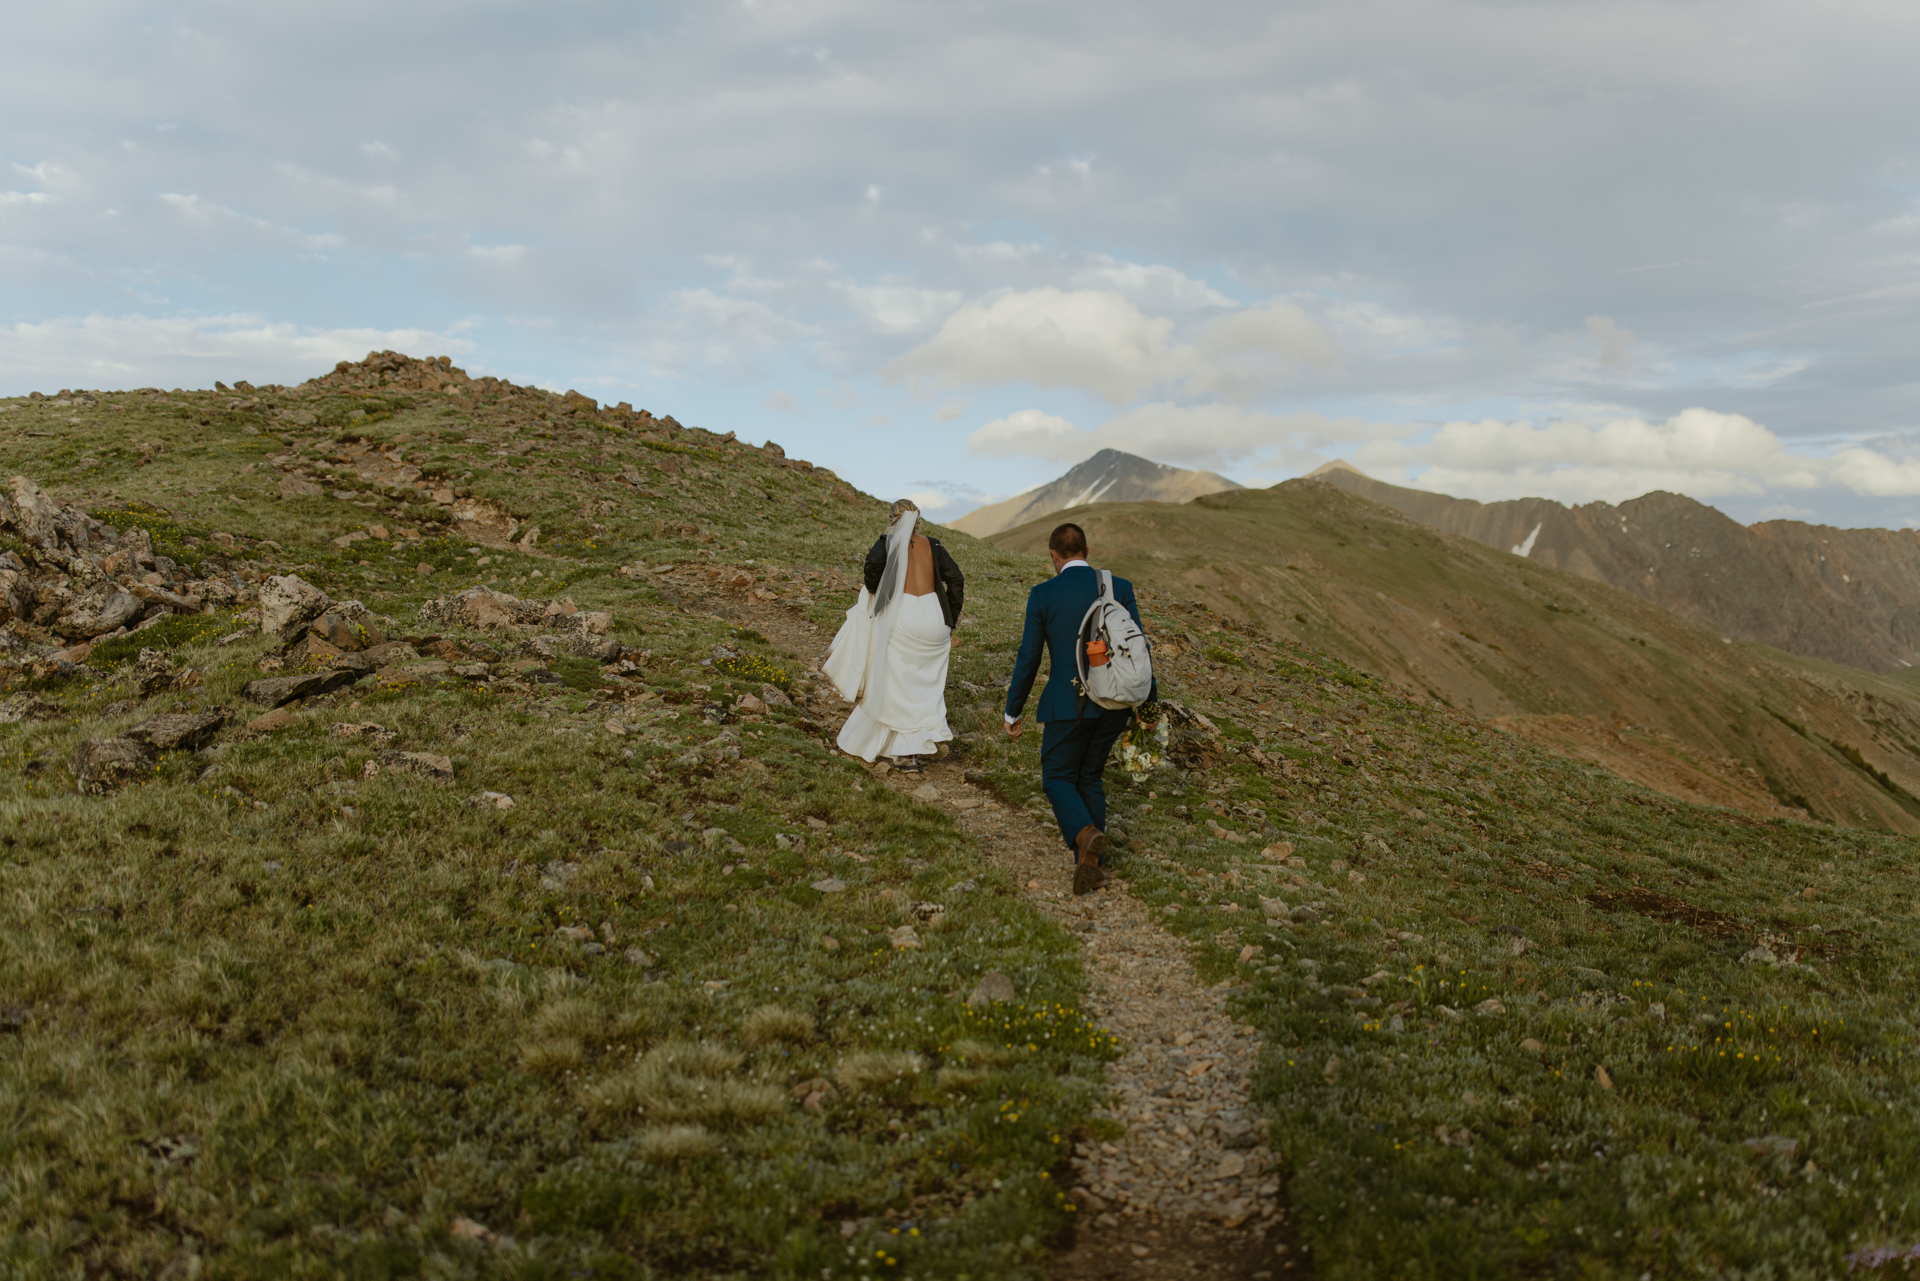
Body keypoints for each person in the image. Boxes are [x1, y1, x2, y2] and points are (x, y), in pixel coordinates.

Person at [1004, 522, 1151, 895]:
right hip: (1115, 702)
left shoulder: (1043, 594)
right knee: (1089, 776)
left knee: (1056, 777)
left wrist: (1013, 709)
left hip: (1067, 703)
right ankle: (1091, 866)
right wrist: (1145, 706)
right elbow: (1139, 650)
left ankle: (1085, 835)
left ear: (1054, 555)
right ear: (1087, 551)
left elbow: (1029, 657)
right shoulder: (1120, 587)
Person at [824, 498, 965, 769]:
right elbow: (956, 579)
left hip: (904, 616)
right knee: (925, 684)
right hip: (935, 619)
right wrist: (950, 619)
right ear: (917, 520)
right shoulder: (934, 545)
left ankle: (900, 749)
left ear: (892, 519)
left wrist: (879, 593)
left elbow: (870, 572)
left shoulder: (886, 543)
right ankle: (919, 741)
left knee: (895, 682)